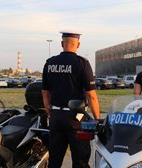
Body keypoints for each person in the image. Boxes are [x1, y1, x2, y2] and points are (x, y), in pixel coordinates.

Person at [42, 31, 100, 168]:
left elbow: (45, 92)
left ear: (62, 44)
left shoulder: (50, 63)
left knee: (55, 158)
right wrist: (97, 119)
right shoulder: (82, 63)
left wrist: (50, 111)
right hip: (76, 117)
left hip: (56, 116)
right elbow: (91, 95)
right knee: (80, 158)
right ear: (78, 44)